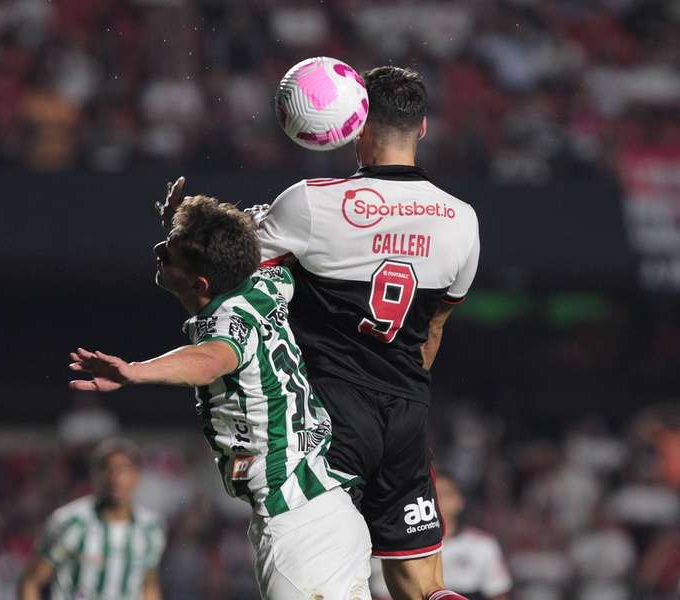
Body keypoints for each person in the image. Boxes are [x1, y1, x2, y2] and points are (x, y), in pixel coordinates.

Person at [161, 66, 479, 600]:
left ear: (357, 125)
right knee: (424, 586)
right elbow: (435, 330)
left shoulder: (312, 203)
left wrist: (179, 229)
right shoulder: (462, 220)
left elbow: (224, 265)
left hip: (327, 418)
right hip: (405, 413)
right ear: (422, 128)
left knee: (316, 565)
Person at [69, 195, 372, 600]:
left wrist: (135, 371)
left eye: (169, 253)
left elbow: (212, 358)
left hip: (299, 528)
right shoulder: (264, 286)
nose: (158, 251)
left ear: (200, 284)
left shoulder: (224, 319)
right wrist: (189, 229)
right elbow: (245, 251)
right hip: (324, 513)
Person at [18, 438, 165, 600]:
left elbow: (148, 585)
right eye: (108, 469)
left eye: (123, 470)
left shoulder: (150, 528)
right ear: (95, 475)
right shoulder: (71, 522)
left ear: (137, 475)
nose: (115, 478)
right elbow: (31, 580)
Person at [371, 473, 512, 600]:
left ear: (459, 501)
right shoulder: (396, 548)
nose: (438, 501)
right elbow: (382, 594)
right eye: (432, 494)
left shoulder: (483, 545)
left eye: (444, 495)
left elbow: (498, 593)